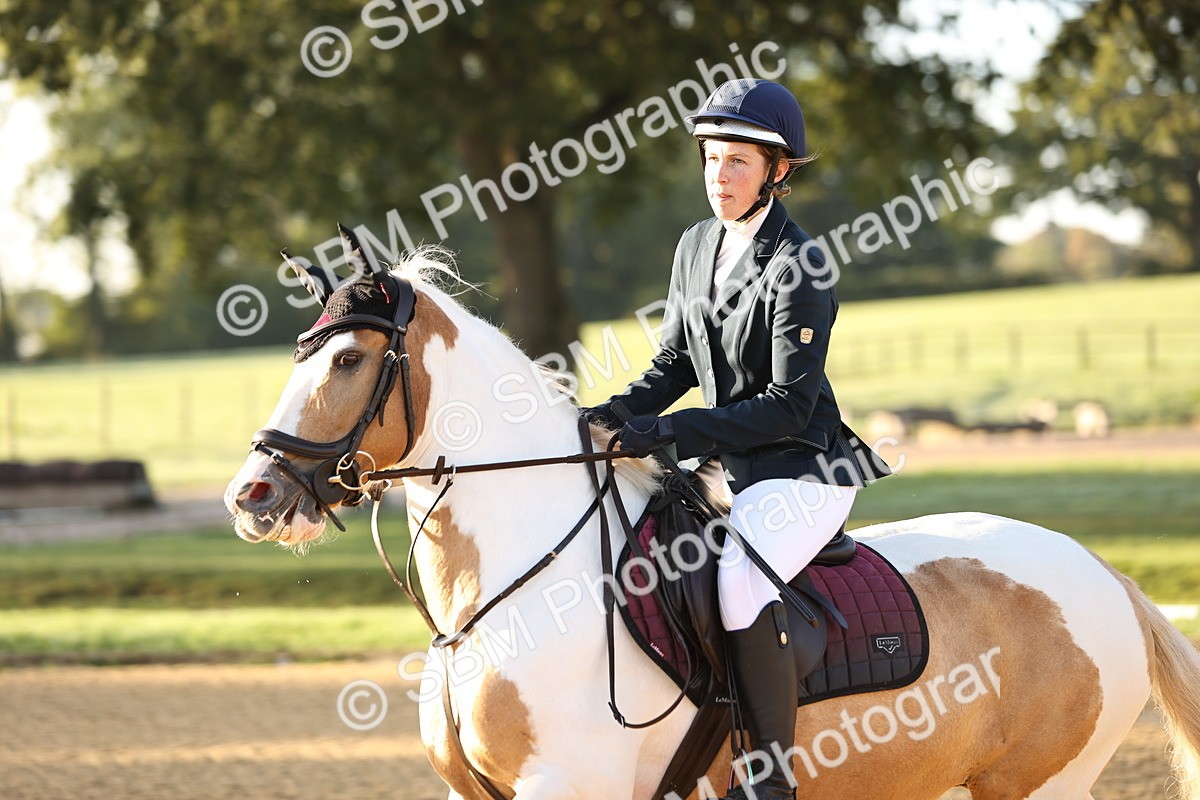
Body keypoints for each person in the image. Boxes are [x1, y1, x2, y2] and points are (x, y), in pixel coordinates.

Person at [585, 79, 891, 800]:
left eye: (738, 164)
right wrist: (604, 417)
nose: (718, 178)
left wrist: (669, 430)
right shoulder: (696, 245)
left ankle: (768, 777)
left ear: (777, 173)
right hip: (727, 462)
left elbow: (788, 405)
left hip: (801, 468)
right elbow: (675, 364)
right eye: (711, 160)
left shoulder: (801, 264)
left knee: (738, 582)